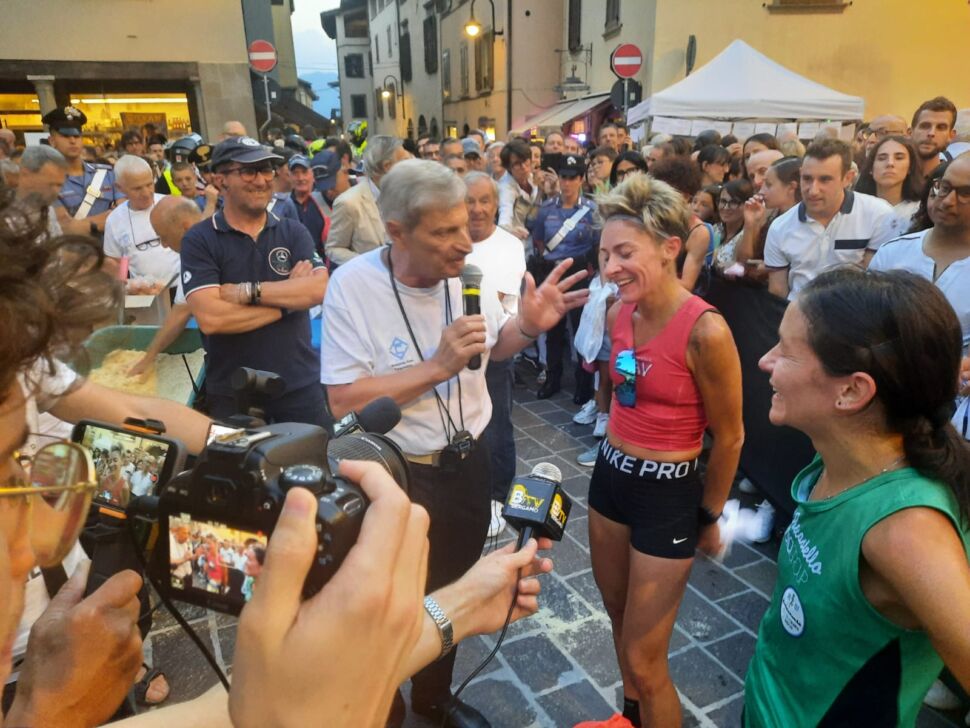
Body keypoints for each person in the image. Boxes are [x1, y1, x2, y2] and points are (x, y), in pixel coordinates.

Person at [320, 159, 588, 727]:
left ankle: (433, 696)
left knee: (454, 583)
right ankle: (380, 697)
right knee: (390, 591)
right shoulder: (352, 286)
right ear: (397, 231)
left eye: (465, 224)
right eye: (445, 232)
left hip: (469, 460)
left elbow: (492, 347)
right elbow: (343, 401)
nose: (465, 242)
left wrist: (528, 327)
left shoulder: (468, 275)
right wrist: (435, 367)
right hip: (397, 476)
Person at [745, 267, 970, 727]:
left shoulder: (907, 531)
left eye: (786, 351)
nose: (766, 361)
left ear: (851, 391)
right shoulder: (839, 456)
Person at [576, 175, 743, 728]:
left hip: (666, 496)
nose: (610, 268)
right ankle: (629, 719)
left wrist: (708, 517)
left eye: (625, 253)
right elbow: (622, 388)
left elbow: (731, 435)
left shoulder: (706, 331)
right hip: (610, 479)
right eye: (605, 255)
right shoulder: (619, 312)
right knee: (618, 618)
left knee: (647, 660)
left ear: (671, 248)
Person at [180, 136, 329, 425]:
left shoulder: (292, 231)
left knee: (318, 455)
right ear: (220, 180)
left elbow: (319, 288)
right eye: (248, 171)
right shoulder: (200, 239)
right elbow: (213, 318)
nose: (261, 180)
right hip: (235, 392)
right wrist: (288, 303)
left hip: (299, 385)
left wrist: (249, 292)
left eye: (266, 170)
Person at [869, 152, 970, 417]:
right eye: (944, 187)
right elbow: (866, 324)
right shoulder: (892, 253)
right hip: (888, 399)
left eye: (965, 193)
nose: (947, 201)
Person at [463, 171, 527, 539]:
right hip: (455, 352)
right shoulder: (450, 241)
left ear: (495, 205)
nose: (476, 209)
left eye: (484, 200)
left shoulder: (509, 246)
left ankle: (498, 496)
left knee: (497, 424)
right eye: (469, 201)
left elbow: (503, 302)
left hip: (496, 348)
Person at [765, 139, 896, 300]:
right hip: (798, 310)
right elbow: (777, 292)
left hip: (856, 309)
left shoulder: (878, 215)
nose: (813, 190)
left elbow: (877, 284)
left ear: (848, 178)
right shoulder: (779, 227)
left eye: (825, 179)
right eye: (807, 179)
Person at [529, 154, 599, 402]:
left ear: (580, 179)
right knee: (553, 329)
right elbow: (538, 239)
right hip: (552, 272)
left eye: (572, 178)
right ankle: (553, 377)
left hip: (579, 273)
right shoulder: (546, 208)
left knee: (580, 328)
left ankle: (583, 383)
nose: (567, 183)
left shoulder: (591, 210)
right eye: (563, 177)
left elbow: (596, 244)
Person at [325, 135, 408, 266]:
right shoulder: (349, 202)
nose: (409, 167)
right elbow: (334, 248)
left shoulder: (406, 196)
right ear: (387, 166)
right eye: (404, 162)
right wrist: (368, 264)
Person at [103, 155, 181, 291]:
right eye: (137, 188)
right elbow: (116, 262)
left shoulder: (171, 205)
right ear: (119, 188)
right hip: (145, 293)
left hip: (182, 289)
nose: (146, 193)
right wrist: (124, 288)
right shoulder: (114, 220)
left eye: (149, 184)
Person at [43, 106, 123, 237]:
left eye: (76, 135)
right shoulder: (47, 182)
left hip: (111, 247)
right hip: (74, 248)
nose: (72, 141)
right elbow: (63, 228)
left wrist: (80, 225)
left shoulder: (106, 174)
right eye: (65, 136)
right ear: (52, 141)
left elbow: (125, 213)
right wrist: (106, 219)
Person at [650, 157, 716, 293]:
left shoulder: (698, 232)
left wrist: (644, 275)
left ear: (685, 196)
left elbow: (687, 285)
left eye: (665, 193)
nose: (659, 198)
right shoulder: (649, 219)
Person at [734, 156, 802, 278]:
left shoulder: (804, 220)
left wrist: (770, 268)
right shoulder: (769, 214)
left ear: (791, 187)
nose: (761, 191)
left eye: (769, 185)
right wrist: (750, 224)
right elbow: (743, 260)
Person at [854, 135, 923, 240]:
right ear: (871, 168)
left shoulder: (920, 211)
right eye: (882, 158)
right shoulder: (855, 208)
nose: (890, 163)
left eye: (899, 158)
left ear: (910, 167)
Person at [14, 145, 68, 238]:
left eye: (59, 185)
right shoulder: (5, 214)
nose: (56, 191)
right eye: (51, 184)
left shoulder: (49, 211)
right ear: (26, 175)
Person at [497, 139, 543, 240]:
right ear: (508, 167)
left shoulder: (532, 177)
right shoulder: (505, 188)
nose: (524, 167)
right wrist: (510, 231)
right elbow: (504, 220)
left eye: (525, 160)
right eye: (517, 164)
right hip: (516, 241)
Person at [287, 154, 330, 259]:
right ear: (289, 177)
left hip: (323, 264)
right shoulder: (283, 205)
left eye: (304, 172)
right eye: (295, 173)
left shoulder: (325, 200)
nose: (300, 178)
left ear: (313, 175)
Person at [911, 96, 958, 179]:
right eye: (925, 126)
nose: (931, 133)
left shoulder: (956, 180)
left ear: (951, 135)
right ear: (910, 132)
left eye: (941, 127)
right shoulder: (892, 177)